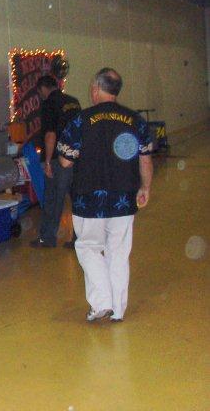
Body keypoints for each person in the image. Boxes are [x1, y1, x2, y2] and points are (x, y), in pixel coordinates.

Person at [57, 68, 153, 323]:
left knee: (89, 248)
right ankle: (117, 309)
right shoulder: (135, 120)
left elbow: (65, 161)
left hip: (88, 198)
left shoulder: (81, 120)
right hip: (124, 198)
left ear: (96, 88)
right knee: (118, 253)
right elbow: (145, 158)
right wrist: (145, 187)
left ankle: (101, 303)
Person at [30, 75, 81, 249]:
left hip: (58, 159)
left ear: (43, 89)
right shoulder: (73, 102)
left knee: (53, 199)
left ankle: (47, 238)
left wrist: (48, 162)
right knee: (77, 199)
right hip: (76, 157)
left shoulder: (49, 104)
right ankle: (78, 238)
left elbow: (50, 134)